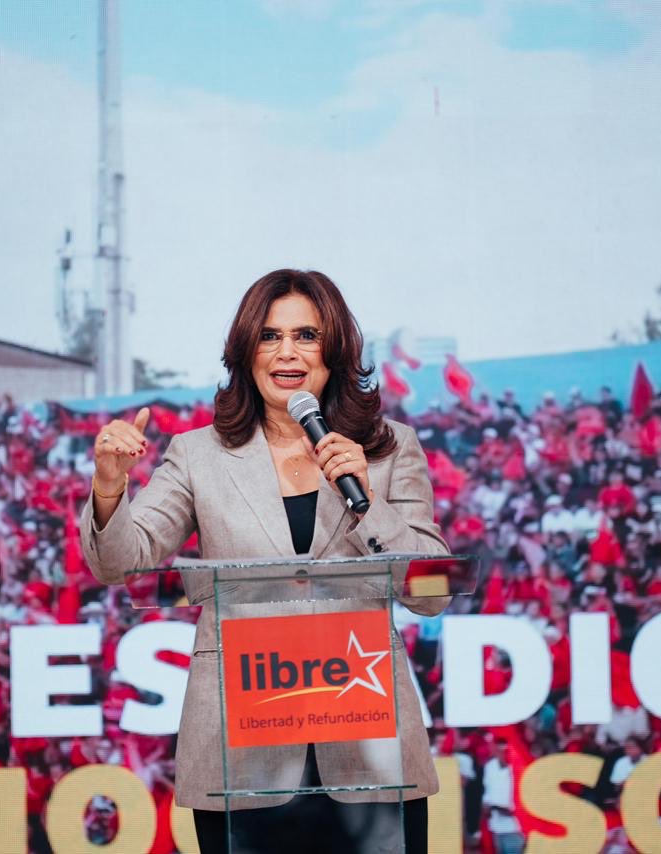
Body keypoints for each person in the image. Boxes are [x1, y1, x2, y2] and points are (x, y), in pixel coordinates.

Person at [80, 269, 449, 854]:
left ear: (335, 350)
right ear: (246, 351)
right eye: (270, 336)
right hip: (243, 743)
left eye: (306, 335)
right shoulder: (198, 455)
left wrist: (368, 502)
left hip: (368, 738)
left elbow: (432, 591)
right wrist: (108, 486)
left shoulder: (389, 447)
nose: (287, 352)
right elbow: (121, 561)